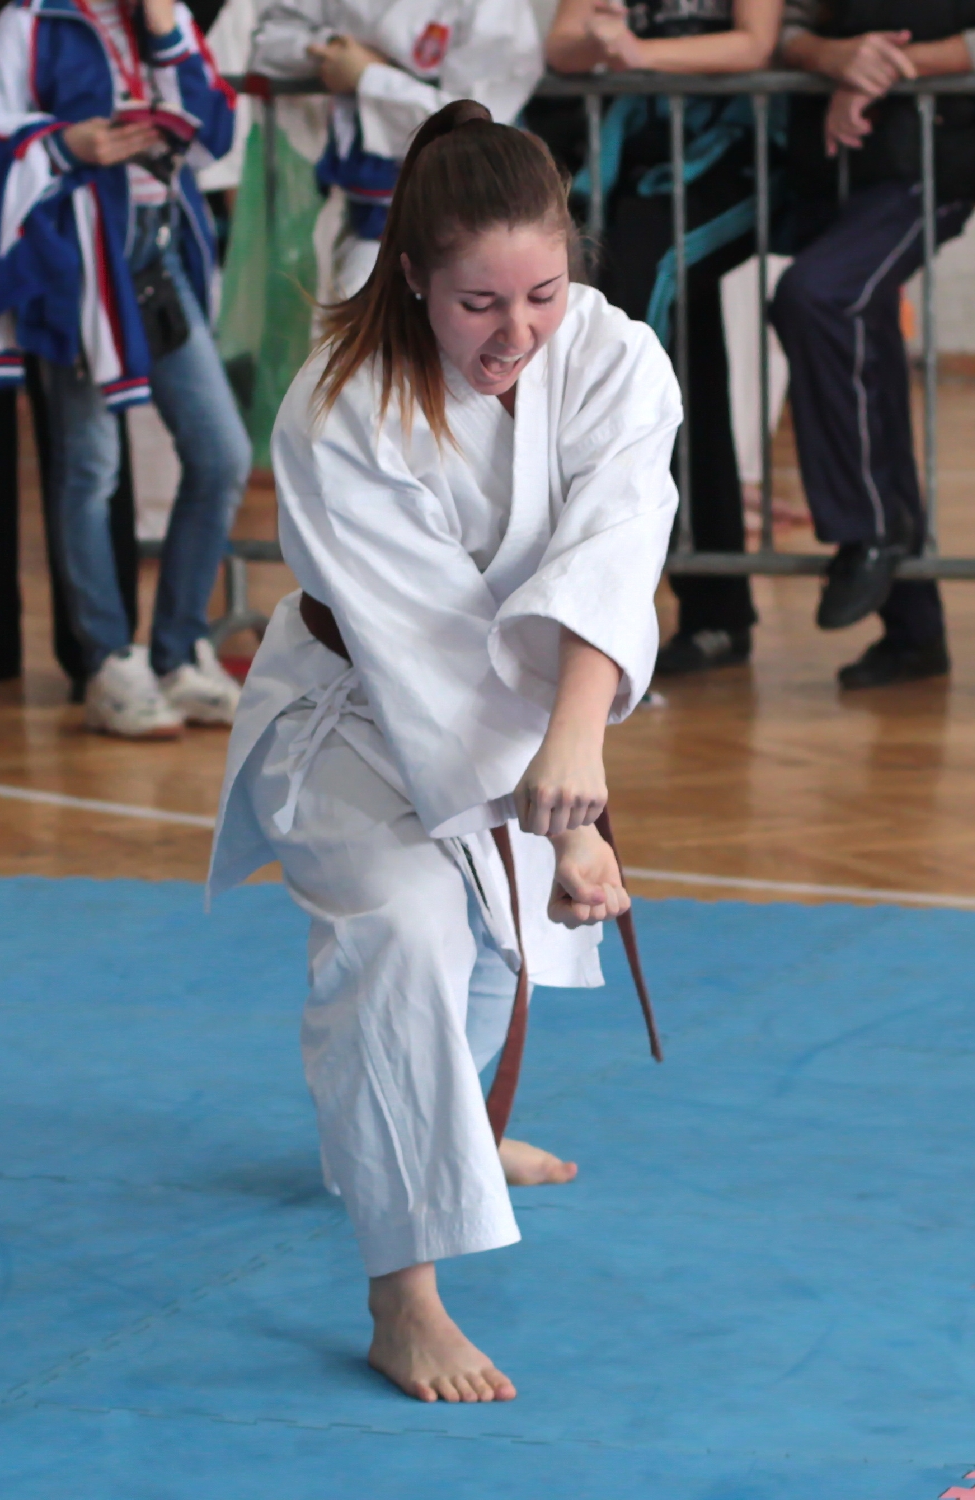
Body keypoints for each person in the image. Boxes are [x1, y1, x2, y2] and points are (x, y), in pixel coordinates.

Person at [208, 101, 681, 1402]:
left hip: (535, 708)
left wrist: (573, 764)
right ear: (411, 274)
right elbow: (425, 652)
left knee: (492, 945)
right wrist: (560, 823)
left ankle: (445, 1129)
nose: (515, 333)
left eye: (542, 292)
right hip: (356, 709)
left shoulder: (613, 356)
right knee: (408, 931)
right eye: (478, 303)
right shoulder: (340, 406)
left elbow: (612, 550)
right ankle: (400, 1292)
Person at [0, 0, 251, 736]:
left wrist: (165, 30)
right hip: (79, 263)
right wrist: (63, 144)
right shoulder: (30, 22)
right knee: (91, 464)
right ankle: (109, 661)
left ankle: (178, 652)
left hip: (159, 256)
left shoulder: (164, 15)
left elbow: (216, 130)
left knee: (222, 455)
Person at [772, 0, 975, 689]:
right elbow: (787, 25)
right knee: (865, 349)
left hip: (940, 157)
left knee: (818, 295)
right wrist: (831, 57)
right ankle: (914, 631)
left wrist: (882, 69)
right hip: (843, 164)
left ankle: (869, 527)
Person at [546, 0, 782, 677]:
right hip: (634, 169)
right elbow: (562, 46)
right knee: (684, 359)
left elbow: (754, 44)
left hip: (732, 157)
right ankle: (711, 610)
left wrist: (641, 54)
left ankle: (632, 597)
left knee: (638, 346)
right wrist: (601, 41)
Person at [248, 0, 545, 302]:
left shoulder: (495, 9)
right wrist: (332, 49)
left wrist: (369, 77)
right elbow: (268, 43)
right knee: (351, 308)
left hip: (463, 217)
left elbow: (478, 121)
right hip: (355, 210)